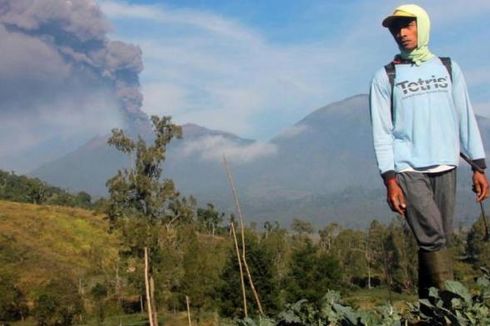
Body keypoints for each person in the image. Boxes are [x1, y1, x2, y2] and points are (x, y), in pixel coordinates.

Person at [369, 4, 489, 299]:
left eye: (408, 25)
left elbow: (464, 114)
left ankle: (429, 311)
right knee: (434, 238)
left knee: (435, 241)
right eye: (396, 28)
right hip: (408, 168)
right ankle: (451, 309)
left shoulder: (448, 68)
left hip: (447, 165)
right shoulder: (386, 77)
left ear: (423, 26)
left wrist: (478, 165)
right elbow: (382, 132)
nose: (401, 33)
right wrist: (390, 179)